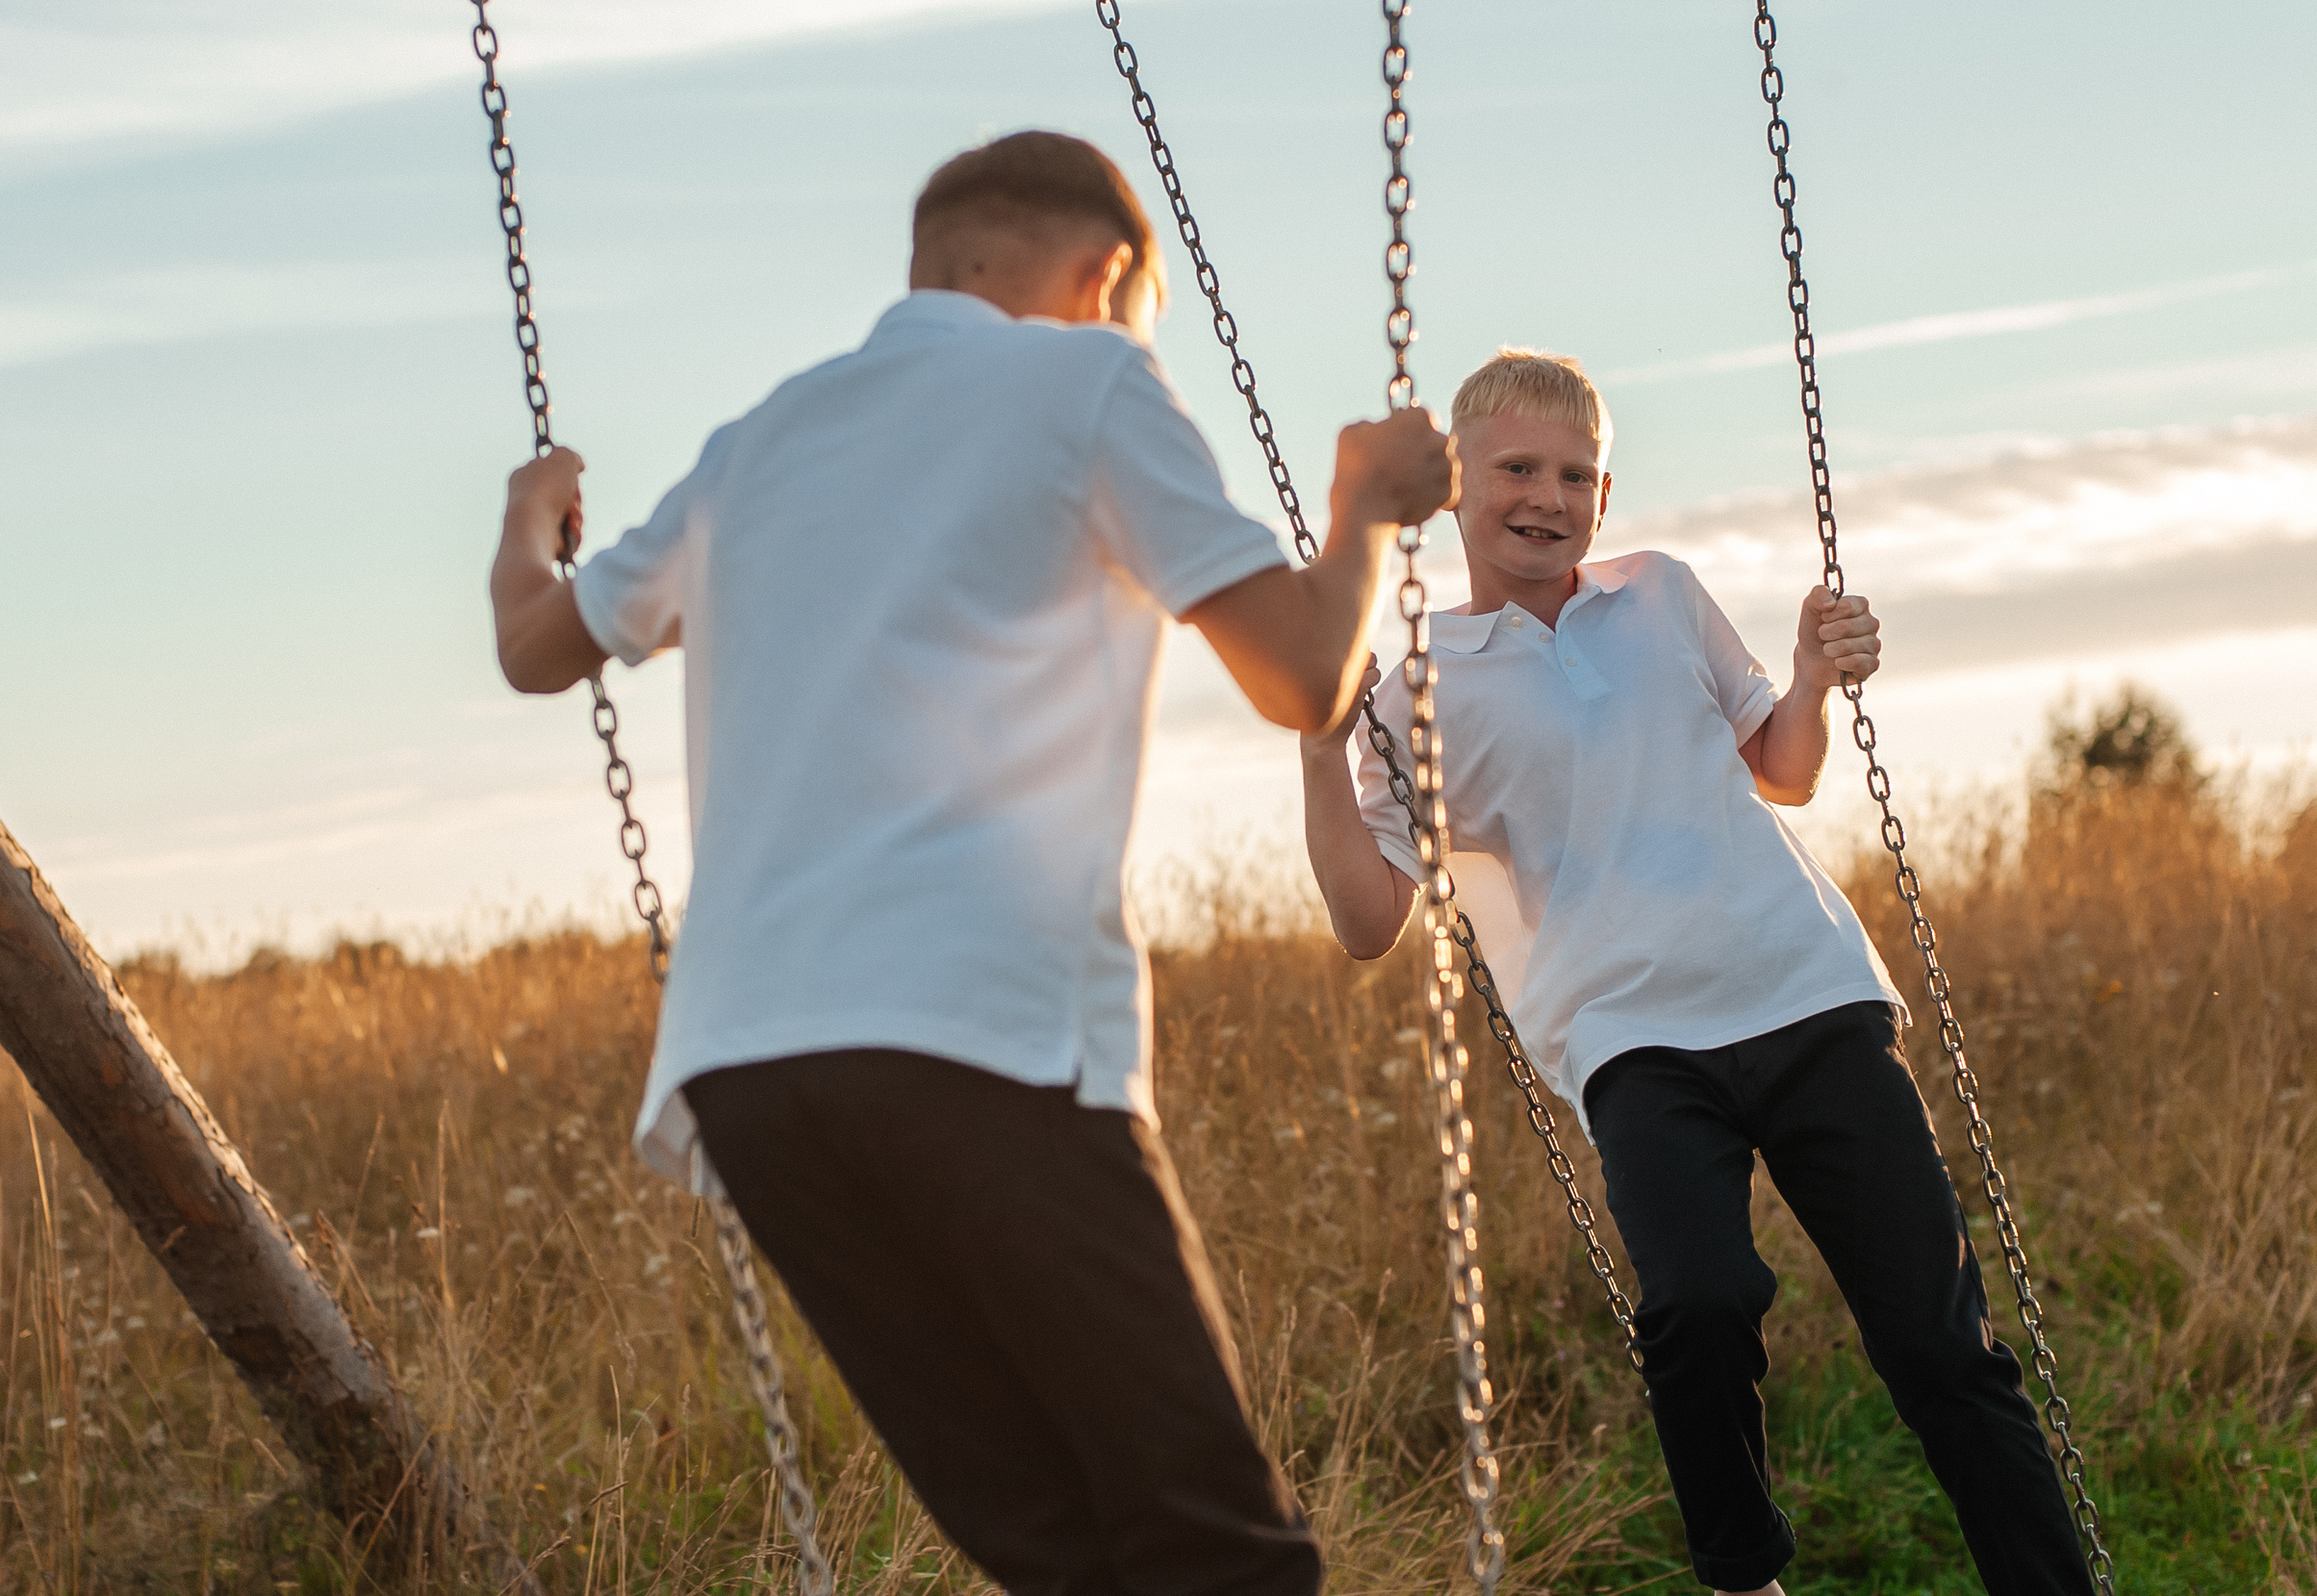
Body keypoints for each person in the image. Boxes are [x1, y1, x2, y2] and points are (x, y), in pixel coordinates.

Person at [486, 131, 1458, 1596]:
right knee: (1217, 1552)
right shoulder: (1090, 382)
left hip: (749, 1070)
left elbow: (532, 645)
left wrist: (524, 519)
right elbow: (1310, 675)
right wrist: (1364, 508)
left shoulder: (758, 441)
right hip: (976, 1032)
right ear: (1107, 275)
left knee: (1065, 1559)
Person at [1298, 349, 2094, 1595]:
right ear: (1455, 485)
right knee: (1700, 1301)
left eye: (1576, 476)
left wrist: (1817, 676)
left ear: (1604, 501)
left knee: (1940, 1349)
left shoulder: (1663, 595)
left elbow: (1783, 768)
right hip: (1633, 1043)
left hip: (1807, 991)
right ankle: (1743, 1574)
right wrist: (1316, 734)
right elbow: (1366, 920)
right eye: (1516, 469)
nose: (1546, 498)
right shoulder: (1411, 690)